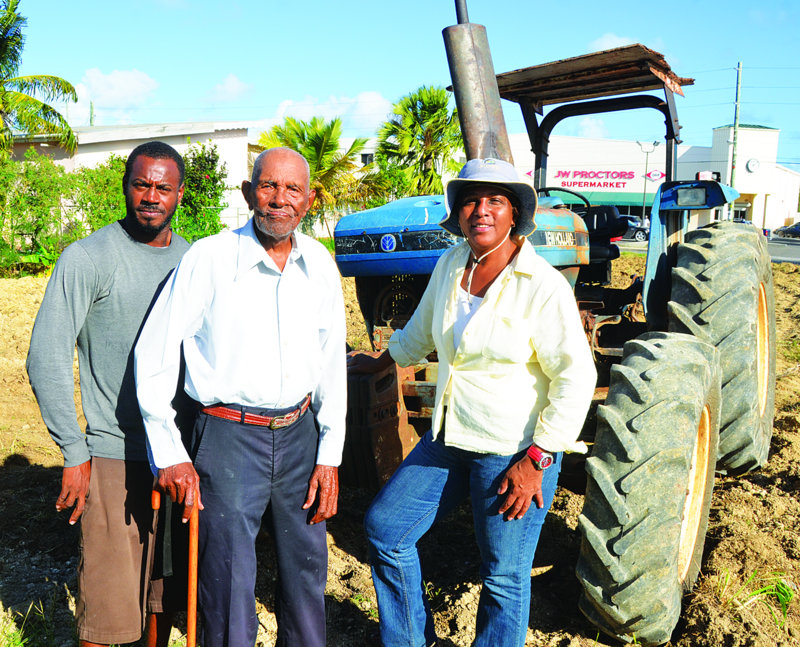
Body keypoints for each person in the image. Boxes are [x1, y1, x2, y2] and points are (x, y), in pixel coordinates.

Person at [350, 158, 597, 647]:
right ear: (458, 211)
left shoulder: (541, 285)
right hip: (449, 435)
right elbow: (421, 329)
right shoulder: (451, 264)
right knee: (386, 530)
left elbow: (577, 376)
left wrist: (538, 459)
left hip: (514, 450)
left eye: (495, 201)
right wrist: (380, 361)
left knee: (504, 575)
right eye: (470, 201)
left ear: (514, 215)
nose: (480, 210)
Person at [134, 147, 347, 647]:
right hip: (227, 438)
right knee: (226, 582)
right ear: (250, 193)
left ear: (309, 199)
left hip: (299, 439)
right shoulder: (209, 258)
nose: (279, 200)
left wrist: (329, 456)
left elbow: (331, 364)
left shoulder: (319, 263)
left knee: (306, 574)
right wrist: (168, 452)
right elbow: (155, 354)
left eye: (292, 189)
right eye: (268, 187)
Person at [26, 141, 191, 647]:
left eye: (163, 187)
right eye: (141, 184)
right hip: (114, 457)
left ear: (179, 194)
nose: (151, 196)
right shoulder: (89, 258)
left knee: (161, 604)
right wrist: (75, 452)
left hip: (179, 460)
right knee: (107, 613)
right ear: (125, 187)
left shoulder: (192, 260)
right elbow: (46, 356)